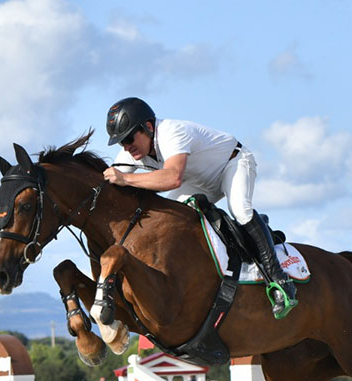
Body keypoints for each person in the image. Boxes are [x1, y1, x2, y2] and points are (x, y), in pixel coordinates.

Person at [101, 97, 297, 320]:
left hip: (231, 164)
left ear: (148, 127)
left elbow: (173, 178)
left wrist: (126, 179)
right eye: (121, 143)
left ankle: (279, 279)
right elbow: (109, 184)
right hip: (198, 181)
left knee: (240, 210)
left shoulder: (171, 132)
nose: (127, 147)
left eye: (129, 138)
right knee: (170, 218)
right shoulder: (131, 152)